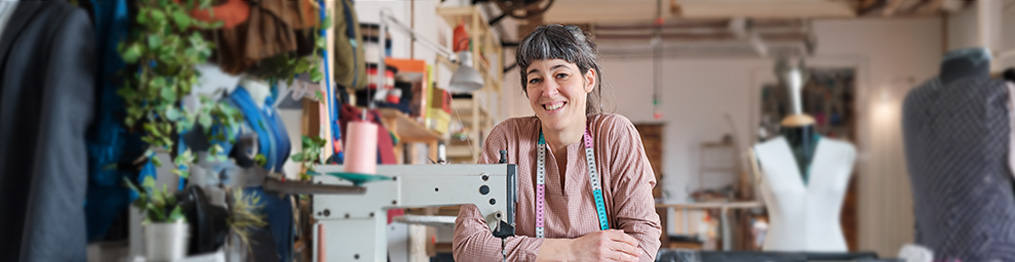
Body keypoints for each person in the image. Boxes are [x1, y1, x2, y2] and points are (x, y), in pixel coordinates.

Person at [453, 24, 661, 262]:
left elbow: (642, 246)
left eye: (561, 74)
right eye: (535, 79)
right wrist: (573, 251)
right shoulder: (507, 140)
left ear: (588, 79)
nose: (548, 91)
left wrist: (523, 252)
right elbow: (468, 246)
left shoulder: (615, 135)